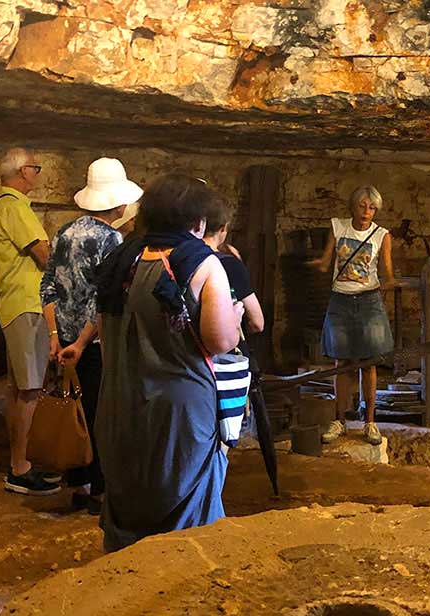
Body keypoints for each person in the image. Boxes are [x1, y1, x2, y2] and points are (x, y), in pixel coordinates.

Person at [95, 174, 244, 552]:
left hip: (118, 402)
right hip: (179, 410)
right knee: (184, 517)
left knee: (129, 501)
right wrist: (236, 316)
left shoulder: (120, 259)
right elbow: (221, 341)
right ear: (198, 223)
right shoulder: (202, 263)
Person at [40, 158, 143, 515]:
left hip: (64, 338)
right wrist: (82, 344)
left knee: (75, 410)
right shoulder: (113, 240)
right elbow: (104, 299)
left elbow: (48, 286)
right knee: (100, 414)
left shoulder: (64, 233)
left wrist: (55, 337)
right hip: (93, 343)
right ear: (118, 203)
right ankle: (100, 490)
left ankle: (79, 484)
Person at [0, 147, 60, 496]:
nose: (38, 173)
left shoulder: (3, 206)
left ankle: (20, 461)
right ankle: (20, 468)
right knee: (30, 389)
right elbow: (44, 254)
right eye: (35, 166)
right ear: (21, 172)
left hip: (13, 304)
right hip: (26, 304)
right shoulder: (15, 207)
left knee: (18, 388)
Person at [308, 185, 399, 446]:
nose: (367, 211)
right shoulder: (338, 227)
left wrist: (390, 281)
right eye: (362, 205)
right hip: (341, 299)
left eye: (372, 207)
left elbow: (387, 270)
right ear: (353, 205)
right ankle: (340, 420)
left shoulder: (382, 235)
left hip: (369, 300)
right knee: (342, 363)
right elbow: (327, 263)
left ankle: (370, 422)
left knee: (369, 363)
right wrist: (317, 264)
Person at [202, 195, 265, 355]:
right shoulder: (230, 264)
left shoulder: (182, 258)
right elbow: (258, 322)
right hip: (225, 357)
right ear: (223, 228)